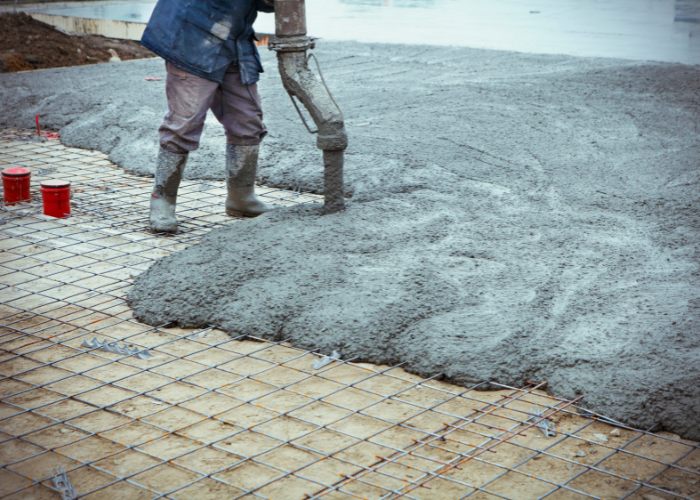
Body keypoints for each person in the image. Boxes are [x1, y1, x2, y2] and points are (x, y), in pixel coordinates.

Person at [141, 0, 275, 233]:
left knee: (247, 120)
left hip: (234, 39)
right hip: (192, 36)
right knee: (184, 122)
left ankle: (241, 197)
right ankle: (162, 201)